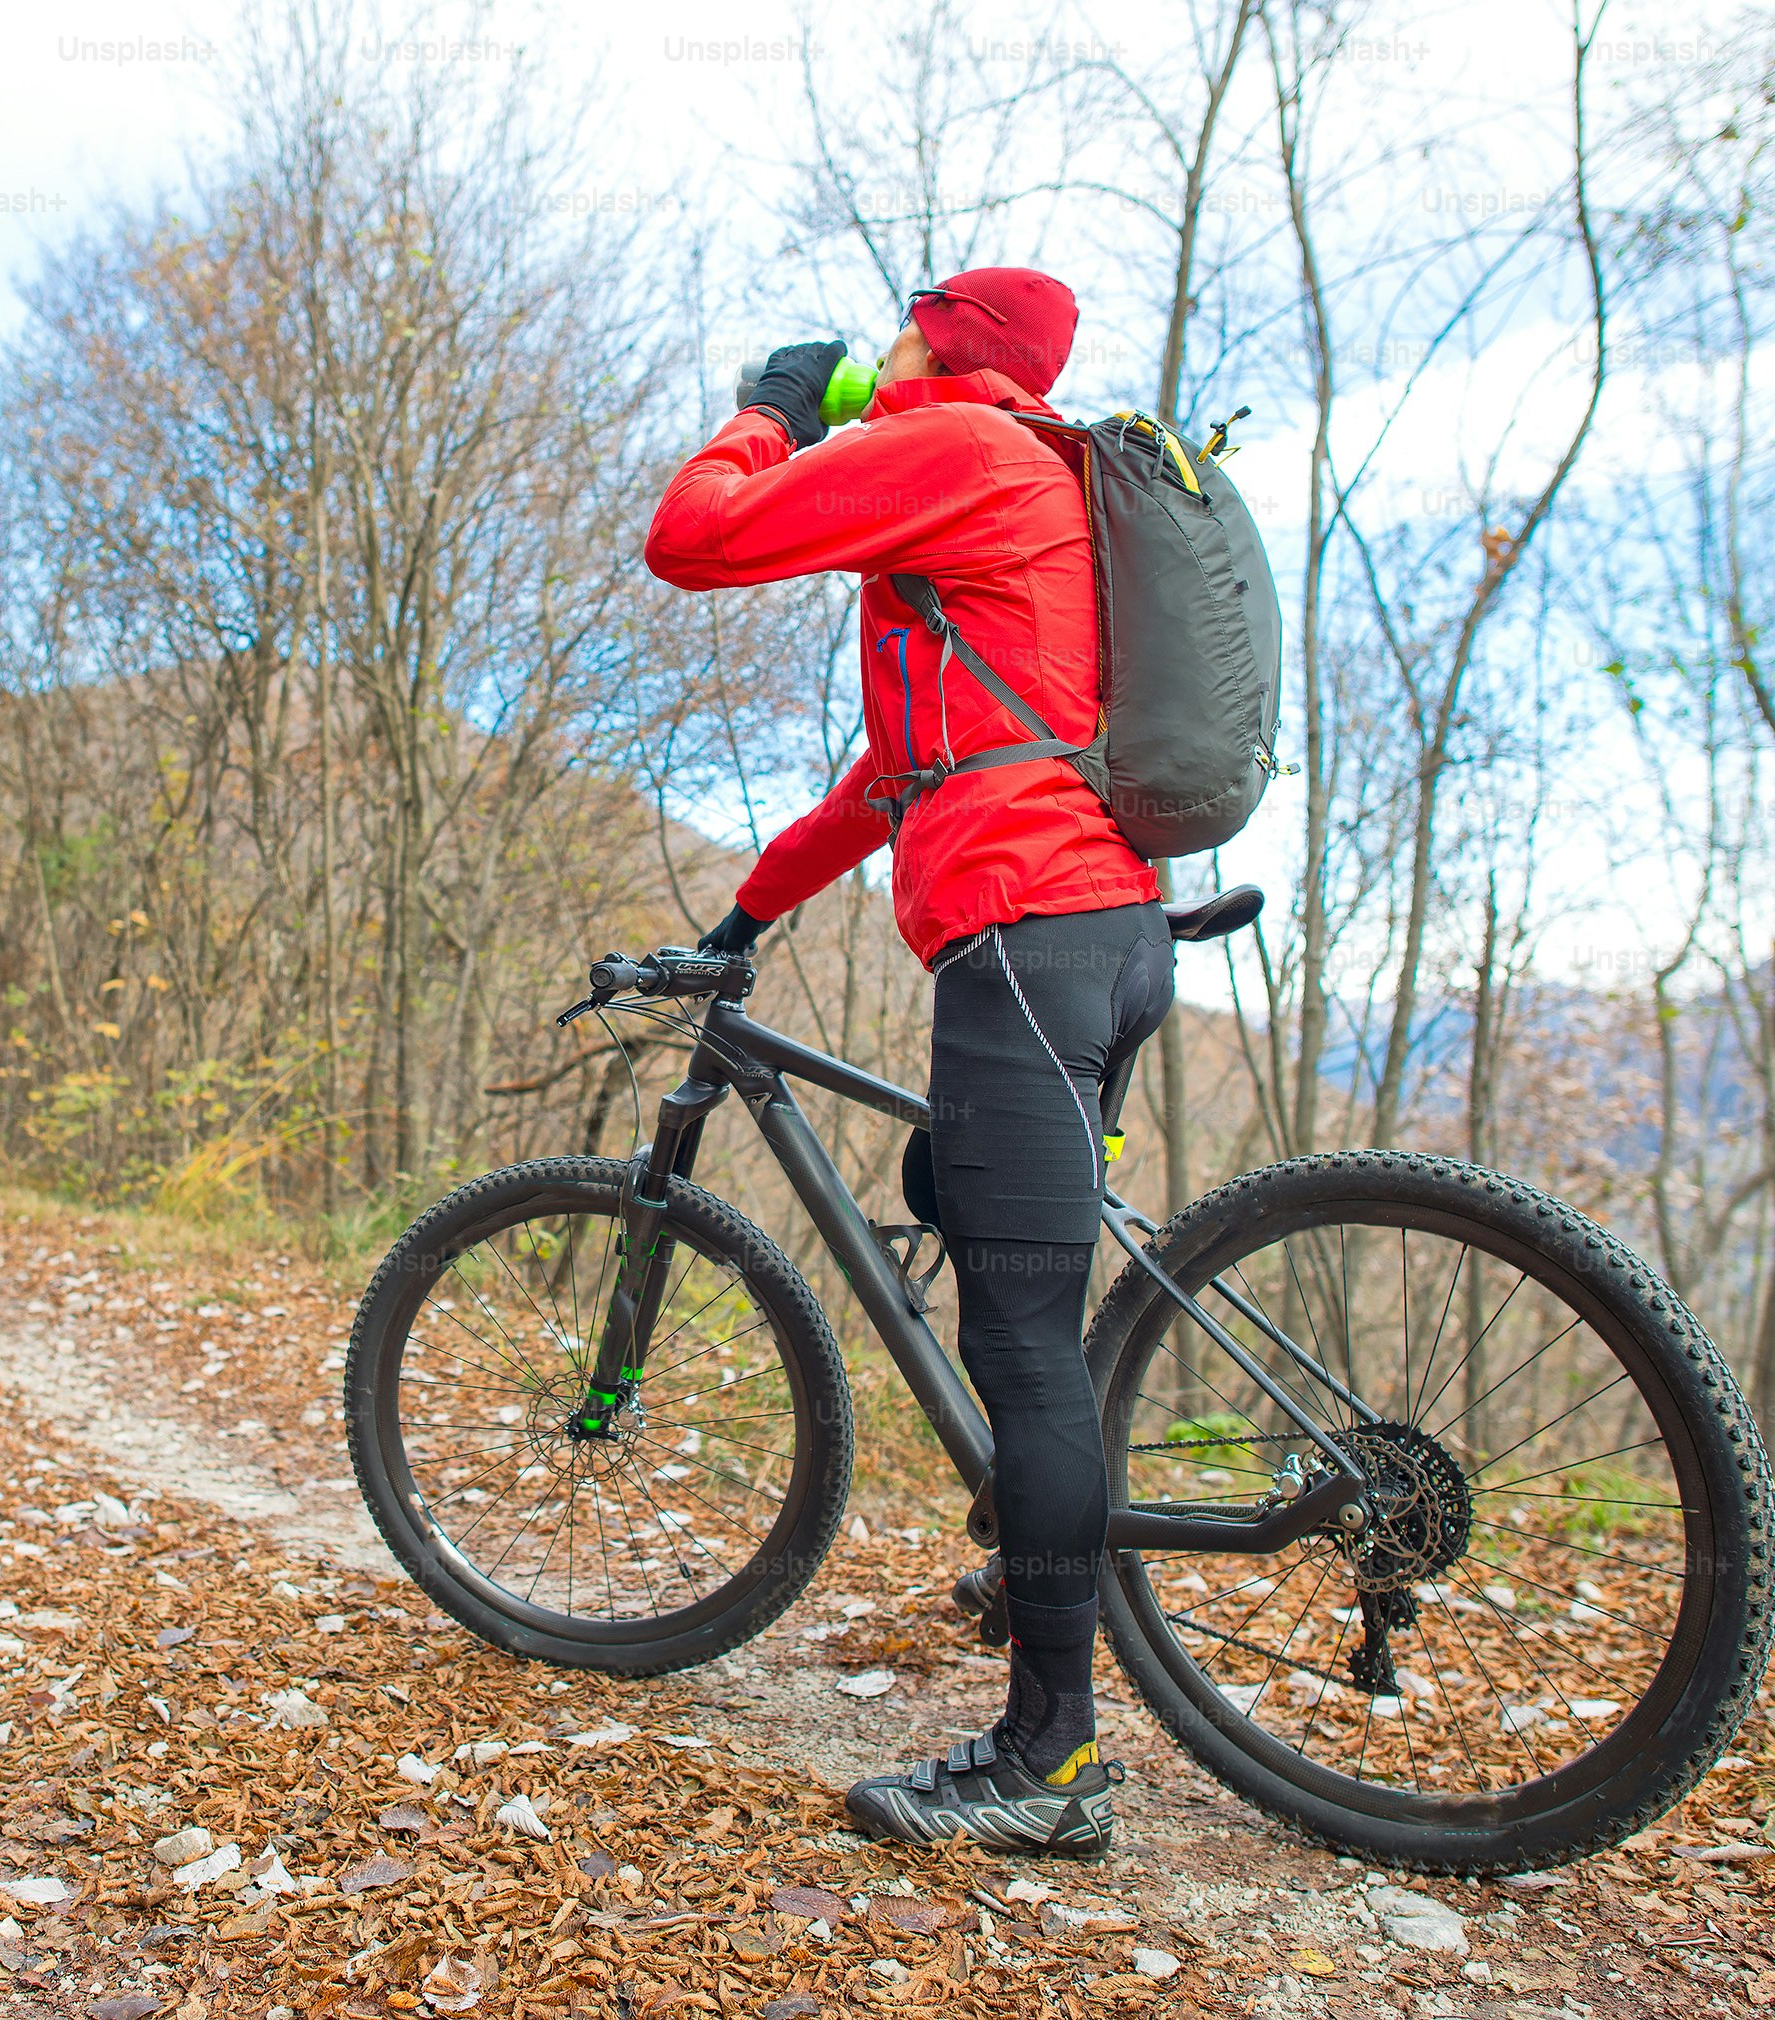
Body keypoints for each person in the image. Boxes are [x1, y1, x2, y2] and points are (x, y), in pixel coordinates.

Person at [642, 268, 1174, 1856]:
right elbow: (898, 777)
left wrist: (772, 413)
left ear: (938, 345)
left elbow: (697, 538)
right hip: (1103, 934)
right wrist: (744, 915)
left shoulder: (963, 448)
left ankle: (1052, 1762)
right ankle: (1033, 1551)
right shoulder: (1030, 499)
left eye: (895, 330)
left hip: (1021, 929)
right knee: (958, 1191)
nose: (875, 351)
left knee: (1021, 1338)